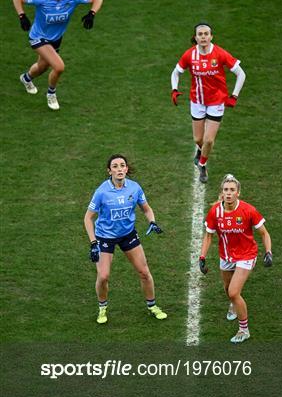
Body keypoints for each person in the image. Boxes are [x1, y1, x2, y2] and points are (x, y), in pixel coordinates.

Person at [84, 154, 167, 324]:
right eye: (115, 166)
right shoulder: (102, 192)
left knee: (144, 272)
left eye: (122, 165)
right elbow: (88, 218)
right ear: (109, 171)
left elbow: (146, 208)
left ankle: (152, 306)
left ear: (126, 169)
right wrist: (93, 243)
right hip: (105, 237)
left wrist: (152, 221)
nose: (119, 169)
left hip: (128, 235)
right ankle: (102, 308)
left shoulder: (134, 188)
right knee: (104, 276)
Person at [13, 0, 103, 110]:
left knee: (42, 67)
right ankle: (51, 94)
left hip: (56, 39)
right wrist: (22, 16)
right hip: (38, 37)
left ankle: (26, 78)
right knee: (59, 67)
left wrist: (92, 14)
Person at [199, 174, 272, 343]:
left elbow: (264, 233)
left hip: (246, 255)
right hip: (226, 255)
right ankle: (233, 304)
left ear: (238, 192)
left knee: (233, 292)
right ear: (222, 193)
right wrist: (202, 257)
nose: (229, 193)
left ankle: (243, 330)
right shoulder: (215, 212)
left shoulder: (248, 210)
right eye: (226, 190)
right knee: (228, 289)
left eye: (232, 190)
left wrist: (268, 252)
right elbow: (208, 236)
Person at [171, 23, 246, 183]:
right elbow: (176, 72)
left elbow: (241, 74)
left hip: (217, 101)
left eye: (206, 34)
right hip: (197, 101)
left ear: (211, 36)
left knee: (209, 140)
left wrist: (234, 95)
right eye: (200, 34)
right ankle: (200, 150)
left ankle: (202, 164)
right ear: (196, 37)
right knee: (198, 139)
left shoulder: (220, 53)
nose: (203, 37)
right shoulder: (189, 55)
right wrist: (174, 89)